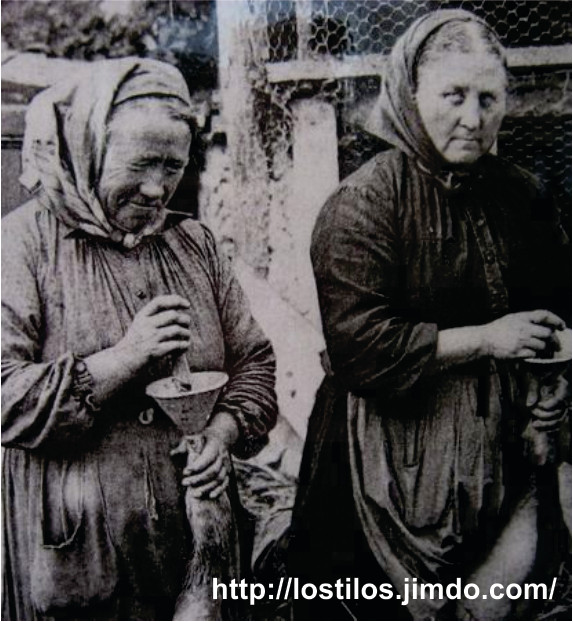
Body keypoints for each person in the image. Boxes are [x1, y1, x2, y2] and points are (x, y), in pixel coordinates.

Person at [288, 9, 570, 621]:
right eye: (454, 95)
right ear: (410, 93)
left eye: (489, 98)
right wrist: (488, 340)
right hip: (380, 469)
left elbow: (557, 310)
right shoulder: (362, 203)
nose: (473, 119)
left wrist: (553, 387)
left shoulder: (525, 195)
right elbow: (359, 349)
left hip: (505, 463)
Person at [2, 57, 277, 621]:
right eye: (141, 163)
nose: (157, 187)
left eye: (173, 166)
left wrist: (221, 435)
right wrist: (124, 358)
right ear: (89, 148)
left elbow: (255, 364)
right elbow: (4, 396)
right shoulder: (22, 244)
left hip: (191, 543)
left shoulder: (193, 243)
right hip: (80, 546)